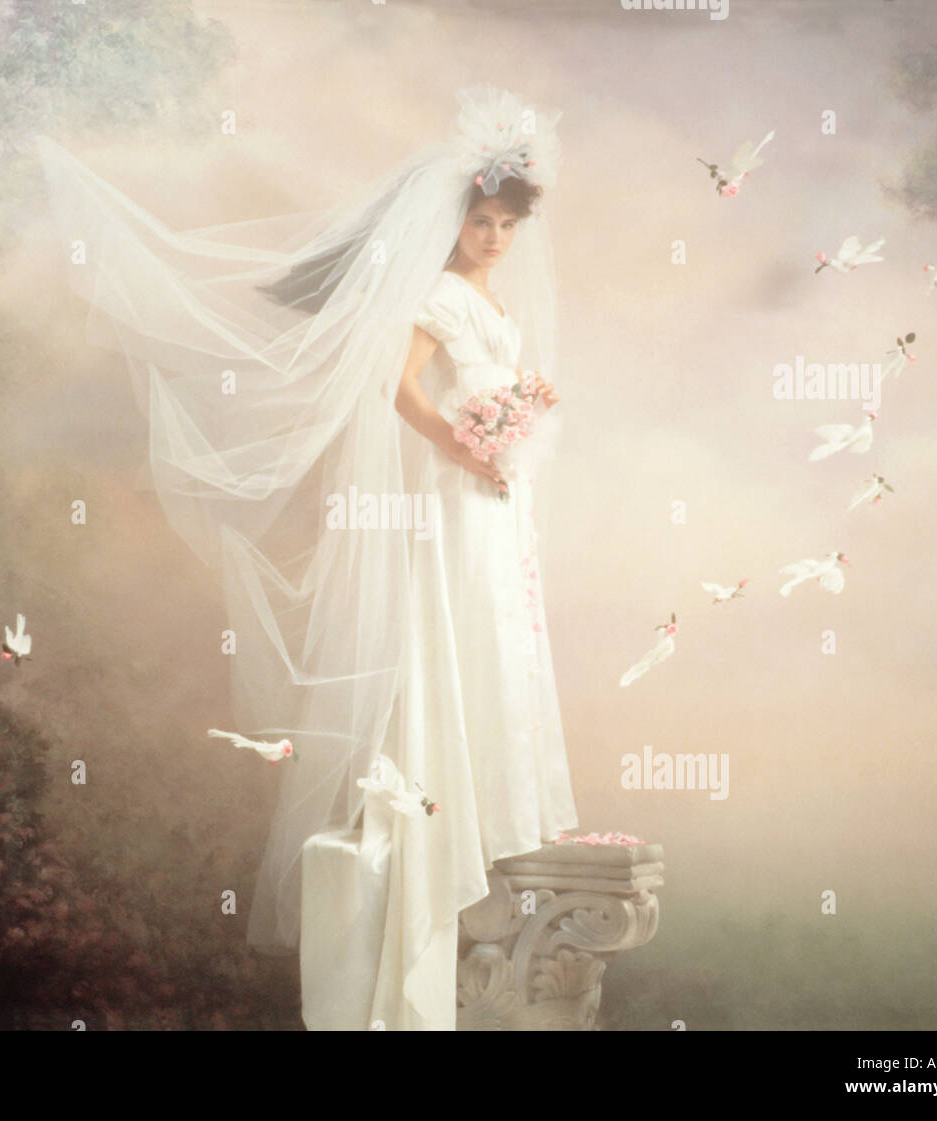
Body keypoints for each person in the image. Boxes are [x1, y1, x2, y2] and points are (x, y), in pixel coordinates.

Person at [36, 83, 576, 1030]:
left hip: (498, 490)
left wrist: (518, 403)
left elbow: (487, 378)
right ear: (453, 221)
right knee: (457, 619)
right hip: (460, 486)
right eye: (479, 220)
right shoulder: (439, 292)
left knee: (504, 615)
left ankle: (496, 783)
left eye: (503, 224)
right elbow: (398, 386)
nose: (491, 237)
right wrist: (464, 442)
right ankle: (449, 793)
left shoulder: (489, 297)